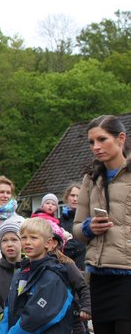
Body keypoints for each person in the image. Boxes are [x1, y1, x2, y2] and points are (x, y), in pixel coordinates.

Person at [73, 115, 131, 334]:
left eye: (102, 139)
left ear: (120, 139)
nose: (96, 147)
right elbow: (77, 229)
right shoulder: (91, 178)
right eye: (91, 142)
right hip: (99, 276)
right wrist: (89, 228)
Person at [0, 217, 74, 333]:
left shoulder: (52, 276)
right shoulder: (20, 272)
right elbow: (9, 309)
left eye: (33, 238)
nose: (27, 242)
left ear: (48, 243)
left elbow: (37, 317)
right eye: (23, 237)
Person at [47, 225, 91, 334]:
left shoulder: (67, 264)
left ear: (54, 243)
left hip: (70, 320)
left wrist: (86, 308)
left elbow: (82, 286)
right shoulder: (31, 265)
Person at [59, 183, 86, 270]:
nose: (75, 199)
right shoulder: (59, 221)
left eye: (78, 196)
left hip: (81, 267)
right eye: (72, 195)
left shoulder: (86, 219)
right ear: (67, 198)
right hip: (63, 266)